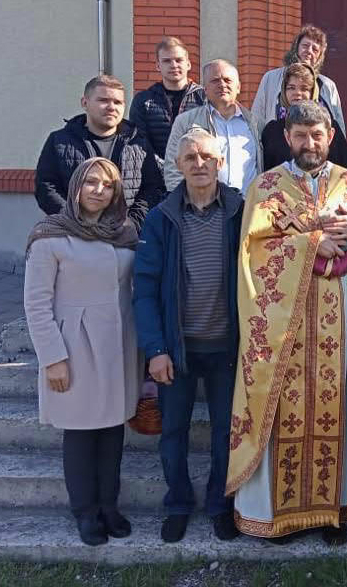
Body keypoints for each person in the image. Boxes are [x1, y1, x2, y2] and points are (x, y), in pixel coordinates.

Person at [227, 101, 347, 545]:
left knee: (334, 409)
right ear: (287, 136)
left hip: (337, 317)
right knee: (281, 413)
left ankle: (330, 513)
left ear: (330, 136)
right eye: (300, 135)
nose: (309, 143)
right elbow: (253, 253)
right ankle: (277, 517)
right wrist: (312, 244)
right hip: (281, 327)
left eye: (317, 135)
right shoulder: (267, 187)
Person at [133, 129, 243, 543]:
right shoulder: (161, 218)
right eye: (191, 157)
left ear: (220, 163)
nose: (200, 164)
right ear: (177, 165)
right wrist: (156, 349)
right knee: (174, 430)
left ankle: (220, 505)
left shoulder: (239, 210)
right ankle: (178, 503)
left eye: (208, 157)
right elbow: (144, 288)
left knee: (224, 433)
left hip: (227, 347)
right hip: (176, 349)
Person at [24, 158, 141, 546]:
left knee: (112, 430)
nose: (98, 191)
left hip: (118, 343)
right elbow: (37, 303)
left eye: (107, 186)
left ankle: (109, 506)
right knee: (80, 432)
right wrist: (52, 358)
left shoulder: (122, 233)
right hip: (73, 346)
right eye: (90, 182)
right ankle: (86, 512)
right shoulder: (50, 236)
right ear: (75, 186)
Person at [35, 75, 165, 230]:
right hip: (73, 233)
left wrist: (133, 222)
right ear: (85, 103)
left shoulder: (138, 143)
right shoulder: (60, 142)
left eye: (117, 102)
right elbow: (46, 186)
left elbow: (153, 188)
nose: (111, 107)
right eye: (103, 100)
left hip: (125, 236)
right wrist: (73, 219)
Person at [164, 59, 265, 193]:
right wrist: (188, 206)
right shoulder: (186, 122)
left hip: (249, 208)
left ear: (238, 87)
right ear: (205, 89)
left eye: (227, 80)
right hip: (205, 208)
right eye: (215, 80)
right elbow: (173, 169)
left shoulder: (257, 124)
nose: (222, 85)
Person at [251, 25, 346, 136]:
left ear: (320, 56)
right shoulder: (270, 78)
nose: (309, 51)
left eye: (315, 49)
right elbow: (257, 117)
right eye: (305, 46)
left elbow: (339, 125)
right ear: (296, 48)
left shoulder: (328, 85)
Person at [128, 36, 205, 162]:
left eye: (178, 60)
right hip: (155, 175)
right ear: (158, 66)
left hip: (196, 172)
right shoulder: (143, 101)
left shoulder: (204, 98)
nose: (174, 65)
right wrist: (163, 167)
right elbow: (139, 141)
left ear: (188, 64)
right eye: (167, 61)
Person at [261, 63, 347, 171]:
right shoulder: (272, 130)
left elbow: (342, 170)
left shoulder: (327, 126)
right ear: (284, 91)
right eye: (291, 88)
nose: (297, 93)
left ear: (313, 92)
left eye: (304, 89)